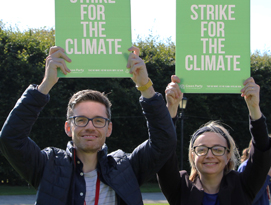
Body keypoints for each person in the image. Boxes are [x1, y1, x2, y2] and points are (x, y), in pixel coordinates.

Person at [0, 46, 176, 205]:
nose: (90, 127)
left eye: (99, 120)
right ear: (68, 128)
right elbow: (11, 138)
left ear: (109, 129)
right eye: (81, 120)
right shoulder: (49, 167)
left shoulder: (126, 169)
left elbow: (164, 142)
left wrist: (145, 86)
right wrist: (46, 85)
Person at [157, 75, 271, 205]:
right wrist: (171, 108)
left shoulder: (242, 186)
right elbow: (164, 153)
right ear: (192, 155)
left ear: (228, 155)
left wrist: (254, 108)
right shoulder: (180, 188)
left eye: (218, 149)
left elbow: (262, 152)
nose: (209, 155)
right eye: (202, 149)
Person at [238, 139, 271, 205]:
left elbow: (264, 195)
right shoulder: (245, 167)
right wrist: (267, 176)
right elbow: (247, 199)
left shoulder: (263, 167)